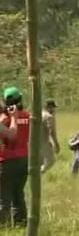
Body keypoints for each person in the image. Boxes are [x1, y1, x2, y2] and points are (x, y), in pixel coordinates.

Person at [0, 87, 28, 227]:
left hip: (6, 161)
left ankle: (4, 227)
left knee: (4, 197)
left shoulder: (4, 119)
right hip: (23, 159)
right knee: (19, 195)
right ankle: (21, 224)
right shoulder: (28, 116)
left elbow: (10, 136)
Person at [40, 100, 60, 174]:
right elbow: (51, 130)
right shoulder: (49, 116)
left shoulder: (39, 114)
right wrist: (56, 143)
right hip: (43, 142)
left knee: (40, 161)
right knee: (50, 161)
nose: (54, 110)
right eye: (53, 108)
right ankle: (39, 173)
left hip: (33, 142)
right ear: (49, 107)